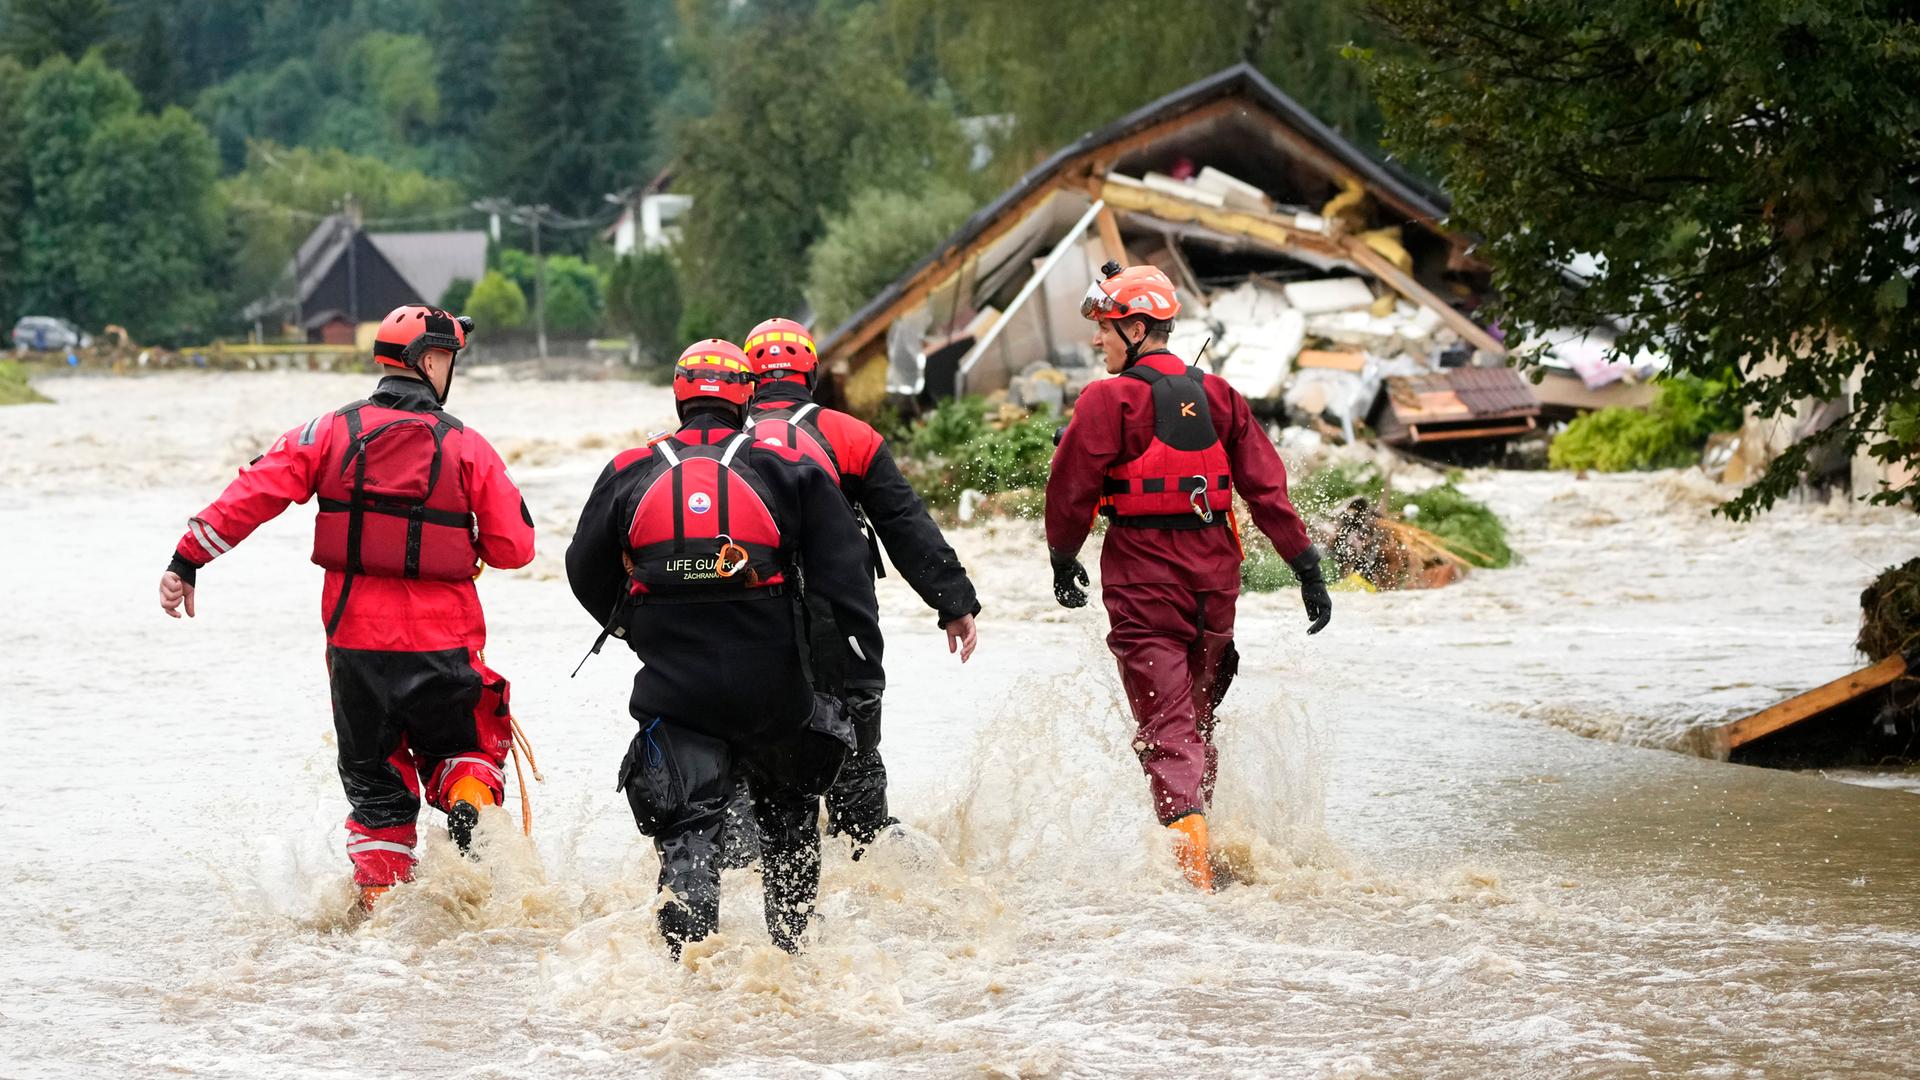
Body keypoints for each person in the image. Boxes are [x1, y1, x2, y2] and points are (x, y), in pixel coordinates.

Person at [157, 304, 536, 913]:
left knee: (379, 798)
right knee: (464, 754)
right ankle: (466, 798)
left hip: (356, 654)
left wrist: (187, 559)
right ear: (432, 361)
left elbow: (254, 492)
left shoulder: (325, 432)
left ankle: (380, 923)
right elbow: (515, 549)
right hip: (445, 648)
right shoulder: (468, 446)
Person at [564, 339, 884, 956]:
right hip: (777, 693)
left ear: (680, 396)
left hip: (675, 692)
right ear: (747, 396)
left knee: (688, 837)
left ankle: (692, 976)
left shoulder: (631, 468)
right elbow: (845, 581)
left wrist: (636, 629)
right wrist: (849, 676)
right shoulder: (784, 466)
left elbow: (583, 569)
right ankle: (792, 960)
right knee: (790, 829)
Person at [1043, 262, 1332, 892]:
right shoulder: (1222, 395)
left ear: (1139, 328)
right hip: (1215, 586)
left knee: (1167, 728)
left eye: (1107, 329)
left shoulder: (1107, 400)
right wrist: (1306, 567)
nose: (1099, 342)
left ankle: (1195, 892)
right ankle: (1210, 846)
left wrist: (1063, 558)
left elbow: (1070, 491)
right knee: (1196, 718)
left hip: (1145, 585)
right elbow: (1267, 489)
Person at [742, 317, 981, 851]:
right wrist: (954, 603)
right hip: (838, 618)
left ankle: (748, 868)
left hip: (748, 620)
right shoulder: (852, 436)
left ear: (749, 377)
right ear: (811, 373)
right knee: (854, 748)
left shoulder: (722, 441)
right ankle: (863, 849)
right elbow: (905, 524)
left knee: (748, 752)